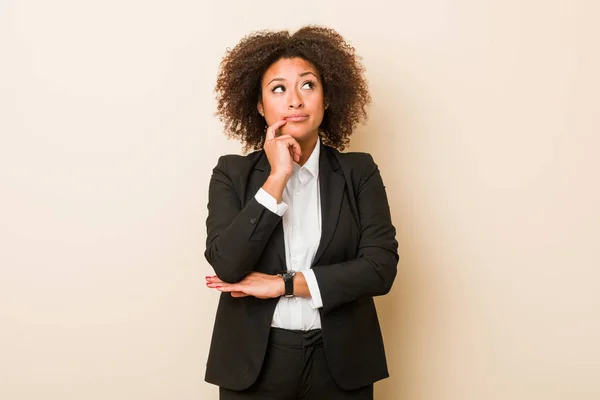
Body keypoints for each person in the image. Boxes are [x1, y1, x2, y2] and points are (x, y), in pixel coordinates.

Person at [204, 25, 399, 400]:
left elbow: (379, 268)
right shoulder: (232, 173)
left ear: (327, 99)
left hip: (341, 364)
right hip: (255, 365)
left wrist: (285, 283)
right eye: (278, 88)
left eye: (308, 85)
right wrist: (278, 176)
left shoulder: (360, 171)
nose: (295, 100)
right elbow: (227, 265)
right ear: (260, 105)